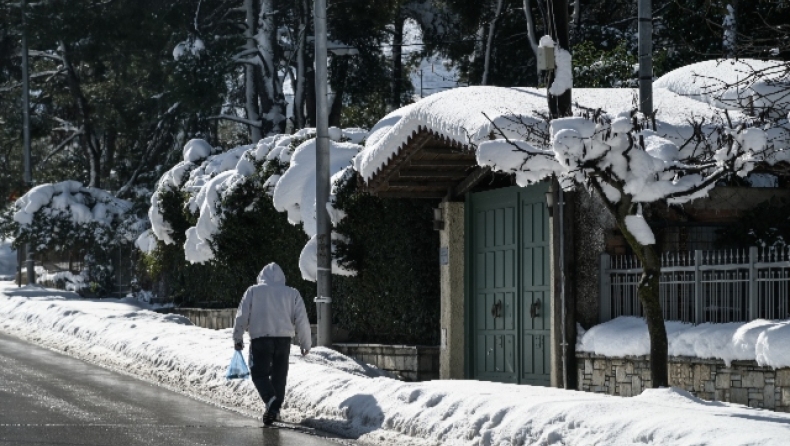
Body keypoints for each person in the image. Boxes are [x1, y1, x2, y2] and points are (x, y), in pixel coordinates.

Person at [233, 262, 311, 425]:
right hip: (284, 340)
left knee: (259, 373)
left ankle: (271, 400)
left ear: (261, 276)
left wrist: (238, 337)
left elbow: (242, 315)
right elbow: (302, 319)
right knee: (279, 375)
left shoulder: (253, 291)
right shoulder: (292, 293)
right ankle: (274, 410)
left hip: (260, 338)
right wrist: (305, 342)